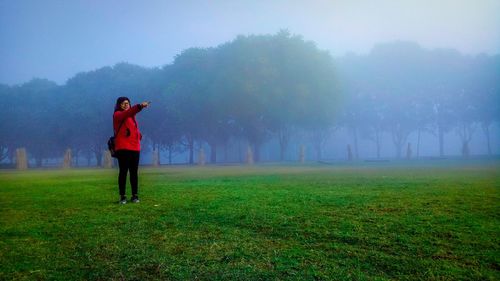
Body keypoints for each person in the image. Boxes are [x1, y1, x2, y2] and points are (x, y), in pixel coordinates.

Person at [113, 97, 150, 204]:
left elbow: (133, 128)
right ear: (119, 105)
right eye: (123, 103)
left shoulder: (132, 116)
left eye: (128, 103)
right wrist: (140, 106)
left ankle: (135, 196)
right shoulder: (118, 115)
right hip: (123, 148)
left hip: (135, 148)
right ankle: (122, 196)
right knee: (123, 172)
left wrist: (138, 135)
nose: (126, 105)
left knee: (134, 173)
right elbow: (128, 113)